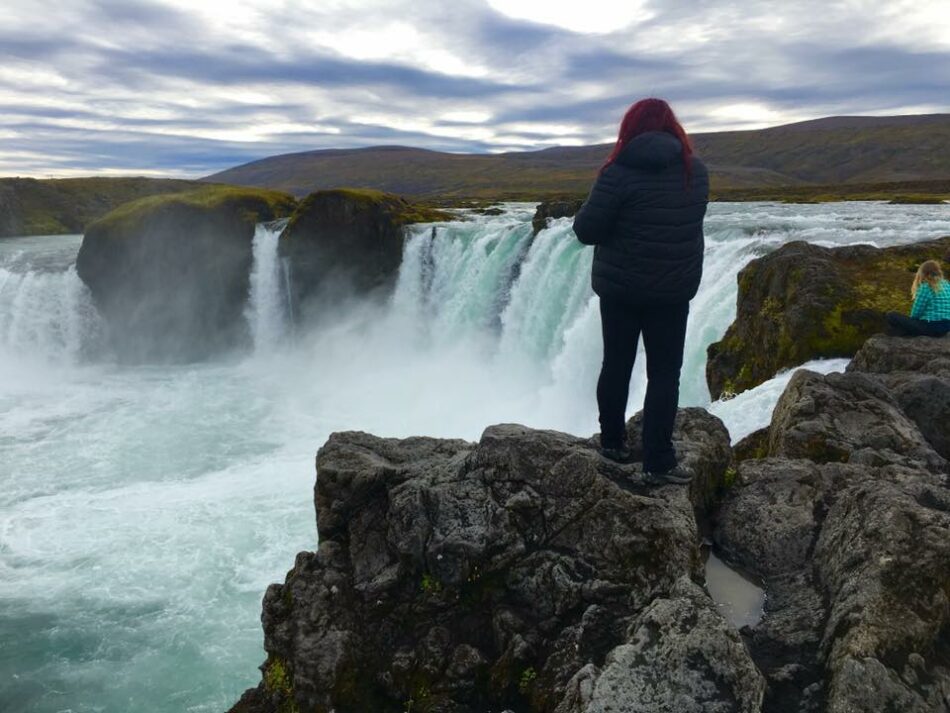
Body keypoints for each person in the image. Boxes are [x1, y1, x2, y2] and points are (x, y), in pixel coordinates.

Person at [573, 98, 708, 485]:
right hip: (671, 291)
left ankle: (613, 443)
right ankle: (659, 462)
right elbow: (686, 220)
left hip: (621, 291)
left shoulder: (616, 172)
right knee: (665, 374)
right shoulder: (693, 171)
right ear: (673, 127)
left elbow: (586, 230)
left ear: (629, 129)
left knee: (616, 364)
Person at [886, 260, 950, 337]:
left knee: (891, 315)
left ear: (923, 273)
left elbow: (916, 313)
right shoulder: (947, 285)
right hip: (946, 327)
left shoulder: (926, 287)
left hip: (930, 327)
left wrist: (911, 323)